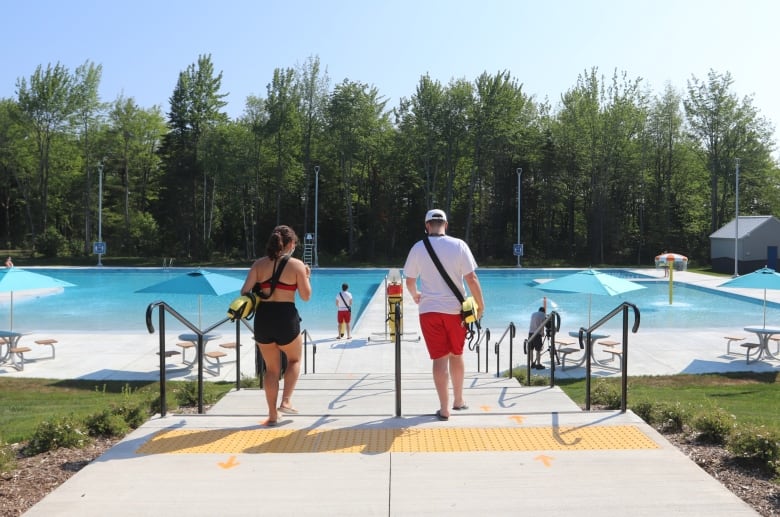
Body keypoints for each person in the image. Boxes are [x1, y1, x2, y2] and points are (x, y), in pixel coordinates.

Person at [403, 209, 484, 421]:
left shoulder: (418, 248)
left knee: (439, 359)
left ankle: (444, 408)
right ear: (446, 225)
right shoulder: (459, 245)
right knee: (456, 355)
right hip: (455, 311)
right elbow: (472, 278)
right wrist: (480, 305)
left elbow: (409, 281)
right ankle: (459, 401)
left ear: (427, 225)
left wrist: (415, 296)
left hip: (429, 311)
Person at [240, 225, 312, 426]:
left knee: (271, 369)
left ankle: (272, 414)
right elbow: (306, 297)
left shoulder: (259, 264)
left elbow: (244, 292)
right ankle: (286, 401)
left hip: (263, 318)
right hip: (285, 318)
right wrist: (306, 276)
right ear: (289, 244)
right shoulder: (297, 265)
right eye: (295, 243)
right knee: (294, 360)